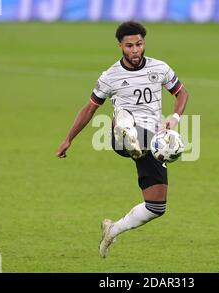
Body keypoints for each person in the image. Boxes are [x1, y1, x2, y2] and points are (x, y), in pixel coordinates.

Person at [56, 21, 189, 258]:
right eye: (129, 46)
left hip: (152, 141)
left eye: (139, 44)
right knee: (124, 117)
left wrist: (175, 117)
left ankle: (112, 230)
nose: (135, 50)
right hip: (121, 136)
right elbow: (89, 109)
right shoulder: (110, 76)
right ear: (120, 46)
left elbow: (181, 93)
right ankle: (127, 134)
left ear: (144, 43)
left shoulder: (160, 68)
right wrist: (68, 138)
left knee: (156, 207)